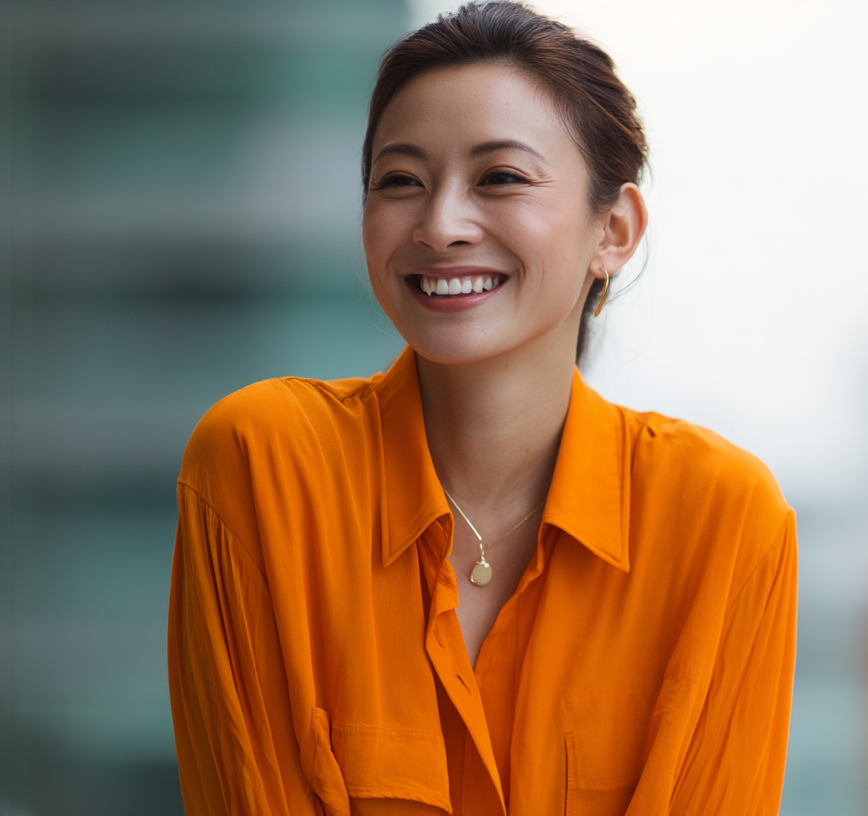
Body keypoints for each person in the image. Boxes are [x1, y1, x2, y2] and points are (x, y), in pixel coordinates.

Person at [166, 5, 797, 814]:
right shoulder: (265, 464)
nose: (440, 225)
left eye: (500, 177)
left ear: (614, 229)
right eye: (400, 181)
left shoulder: (723, 520)